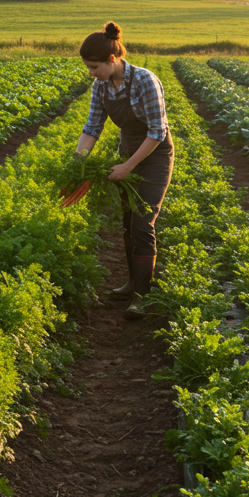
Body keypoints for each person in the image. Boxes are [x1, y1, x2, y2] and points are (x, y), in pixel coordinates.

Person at [75, 22, 173, 318]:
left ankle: (144, 297)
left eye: (94, 67)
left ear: (111, 60)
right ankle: (132, 283)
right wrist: (77, 162)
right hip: (127, 154)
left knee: (144, 224)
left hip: (154, 157)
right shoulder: (101, 86)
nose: (91, 73)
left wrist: (129, 166)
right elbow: (93, 127)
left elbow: (158, 131)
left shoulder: (144, 80)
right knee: (129, 222)